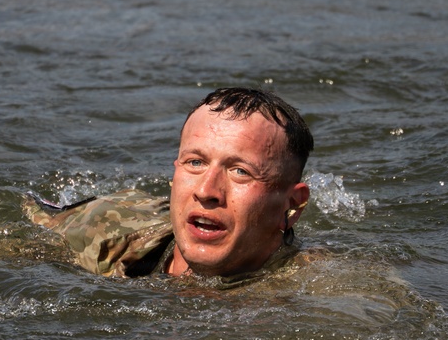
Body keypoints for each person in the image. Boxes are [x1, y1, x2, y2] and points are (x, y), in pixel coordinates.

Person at [26, 87, 313, 284]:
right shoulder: (102, 229)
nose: (206, 191)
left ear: (292, 205)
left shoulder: (310, 291)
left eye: (240, 171)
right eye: (195, 162)